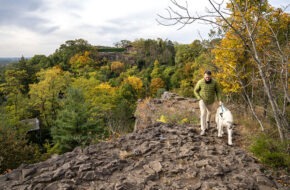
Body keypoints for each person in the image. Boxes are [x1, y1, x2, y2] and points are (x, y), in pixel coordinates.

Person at [194, 70, 222, 136]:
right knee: (203, 113)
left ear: (210, 76)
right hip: (202, 100)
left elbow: (218, 91)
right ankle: (203, 129)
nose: (207, 78)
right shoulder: (200, 82)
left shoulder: (215, 82)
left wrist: (219, 99)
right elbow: (195, 90)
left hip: (211, 100)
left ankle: (208, 122)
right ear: (204, 76)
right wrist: (199, 98)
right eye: (206, 77)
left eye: (208, 77)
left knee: (209, 112)